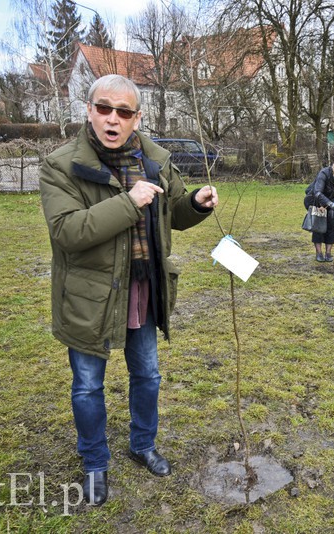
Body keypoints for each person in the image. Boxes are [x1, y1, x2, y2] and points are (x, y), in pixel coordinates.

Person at [39, 74, 218, 506]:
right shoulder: (60, 165)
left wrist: (195, 204)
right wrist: (129, 201)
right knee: (87, 386)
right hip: (90, 296)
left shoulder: (155, 160)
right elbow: (67, 232)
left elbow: (172, 213)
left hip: (143, 288)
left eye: (123, 112)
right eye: (104, 108)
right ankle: (95, 464)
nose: (112, 119)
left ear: (137, 117)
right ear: (88, 110)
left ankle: (142, 445)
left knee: (148, 376)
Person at [304, 158, 334, 262]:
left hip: (332, 204)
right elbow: (317, 192)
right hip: (316, 201)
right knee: (318, 227)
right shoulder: (325, 173)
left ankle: (328, 253)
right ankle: (319, 253)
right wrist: (328, 204)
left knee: (330, 226)